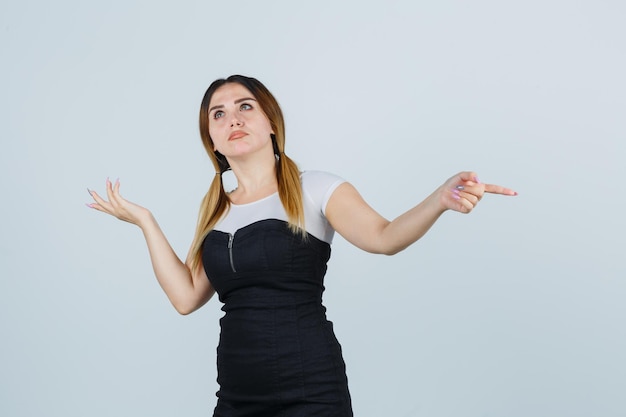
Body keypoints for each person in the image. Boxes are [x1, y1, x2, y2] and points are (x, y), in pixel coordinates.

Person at [87, 74, 517, 417]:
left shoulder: (314, 188)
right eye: (218, 115)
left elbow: (384, 238)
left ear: (270, 122)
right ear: (213, 142)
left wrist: (439, 200)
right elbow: (185, 298)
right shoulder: (215, 213)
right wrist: (145, 221)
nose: (232, 119)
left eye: (245, 107)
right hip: (236, 398)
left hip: (310, 392)